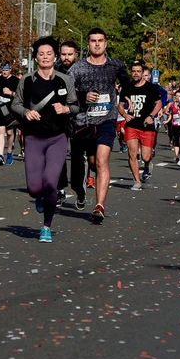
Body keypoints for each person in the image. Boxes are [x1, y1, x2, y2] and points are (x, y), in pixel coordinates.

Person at [12, 36, 78, 242]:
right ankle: (39, 197)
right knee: (34, 188)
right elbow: (16, 104)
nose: (45, 57)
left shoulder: (65, 80)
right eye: (41, 54)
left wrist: (66, 108)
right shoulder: (27, 80)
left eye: (49, 53)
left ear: (55, 57)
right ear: (35, 57)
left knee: (50, 183)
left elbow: (75, 106)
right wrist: (25, 113)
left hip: (57, 138)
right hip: (33, 138)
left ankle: (46, 226)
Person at [68, 27, 129, 221]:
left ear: (106, 43)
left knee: (102, 160)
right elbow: (66, 92)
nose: (96, 44)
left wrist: (127, 99)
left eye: (100, 40)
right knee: (93, 162)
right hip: (84, 122)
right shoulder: (78, 68)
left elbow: (128, 82)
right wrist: (83, 95)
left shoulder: (115, 66)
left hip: (107, 120)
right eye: (93, 40)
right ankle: (85, 182)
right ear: (88, 44)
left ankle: (99, 206)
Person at [118, 62, 161, 190]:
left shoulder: (151, 88)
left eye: (138, 71)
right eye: (133, 71)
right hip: (132, 125)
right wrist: (125, 115)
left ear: (143, 73)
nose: (136, 73)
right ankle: (137, 181)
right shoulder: (127, 88)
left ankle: (147, 164)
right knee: (132, 153)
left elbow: (158, 104)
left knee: (145, 156)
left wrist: (151, 116)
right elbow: (120, 106)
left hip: (146, 125)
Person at [55, 40, 79, 206]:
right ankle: (60, 189)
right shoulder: (54, 72)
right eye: (64, 54)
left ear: (76, 55)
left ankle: (80, 188)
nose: (66, 57)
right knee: (59, 156)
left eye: (70, 54)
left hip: (80, 118)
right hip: (60, 120)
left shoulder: (83, 71)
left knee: (78, 157)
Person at [0, 64, 19, 166]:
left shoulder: (16, 81)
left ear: (10, 70)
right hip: (0, 107)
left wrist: (11, 93)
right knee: (0, 130)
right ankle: (0, 155)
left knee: (10, 132)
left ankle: (9, 151)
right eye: (3, 70)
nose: (4, 72)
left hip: (11, 108)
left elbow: (20, 96)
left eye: (6, 70)